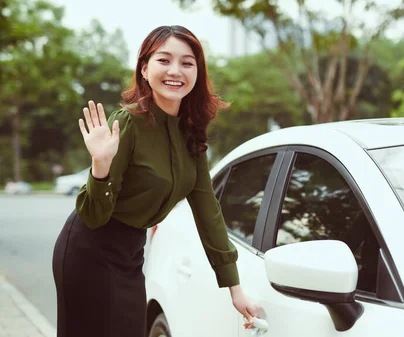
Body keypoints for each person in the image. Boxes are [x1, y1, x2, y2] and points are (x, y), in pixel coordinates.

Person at [52, 25, 256, 337]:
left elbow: (207, 211)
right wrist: (100, 166)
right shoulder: (127, 122)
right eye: (164, 60)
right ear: (145, 69)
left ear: (197, 74)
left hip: (131, 253)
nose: (176, 71)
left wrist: (234, 287)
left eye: (187, 63)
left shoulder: (191, 132)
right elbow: (93, 214)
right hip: (89, 249)